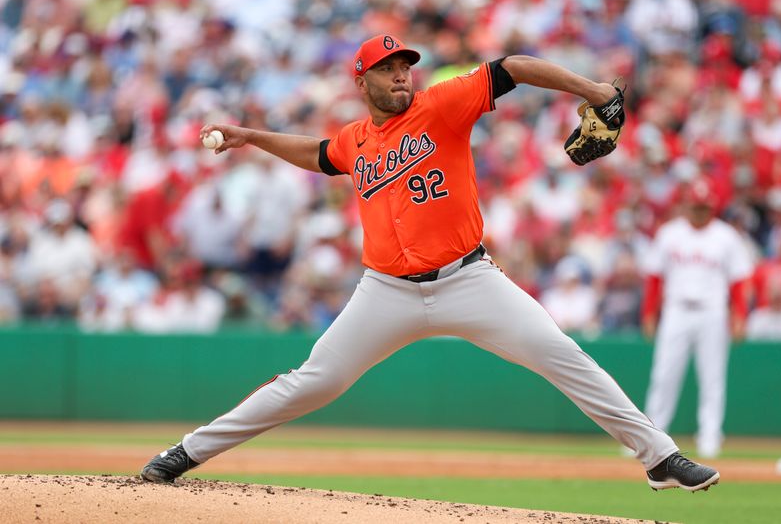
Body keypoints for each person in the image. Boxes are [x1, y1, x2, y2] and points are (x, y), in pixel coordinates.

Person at [141, 34, 719, 492]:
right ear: (362, 78)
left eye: (405, 66)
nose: (401, 75)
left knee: (560, 353)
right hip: (385, 292)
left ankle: (660, 457)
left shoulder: (441, 104)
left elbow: (512, 66)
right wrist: (249, 135)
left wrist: (592, 90)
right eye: (388, 68)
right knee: (311, 383)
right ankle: (185, 453)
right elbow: (318, 155)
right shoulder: (356, 139)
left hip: (468, 279)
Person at [641, 179, 754, 458]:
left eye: (704, 207)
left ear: (712, 207)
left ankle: (710, 437)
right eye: (695, 207)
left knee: (712, 376)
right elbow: (655, 277)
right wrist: (649, 312)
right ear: (687, 205)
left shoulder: (726, 236)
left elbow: (739, 280)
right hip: (676, 310)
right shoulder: (670, 233)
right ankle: (652, 436)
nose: (699, 212)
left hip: (712, 311)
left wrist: (740, 314)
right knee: (664, 374)